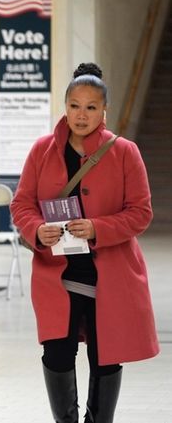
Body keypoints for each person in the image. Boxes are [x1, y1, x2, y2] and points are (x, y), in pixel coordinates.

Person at [10, 63, 158, 423]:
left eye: (91, 107)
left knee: (106, 357)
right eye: (75, 105)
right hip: (56, 277)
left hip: (111, 278)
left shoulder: (124, 152)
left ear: (104, 110)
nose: (82, 115)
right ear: (65, 106)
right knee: (56, 355)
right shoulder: (42, 150)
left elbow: (141, 213)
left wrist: (97, 227)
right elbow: (21, 204)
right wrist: (35, 229)